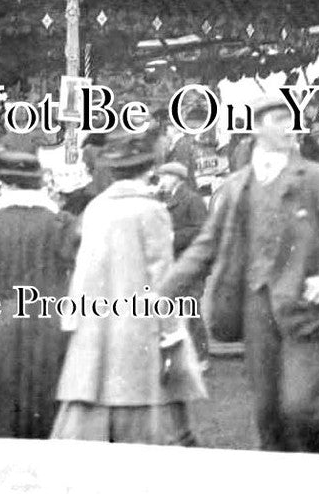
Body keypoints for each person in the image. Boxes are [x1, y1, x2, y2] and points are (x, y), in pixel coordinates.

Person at [160, 94, 319, 452]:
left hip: (305, 310)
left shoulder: (315, 178)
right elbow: (205, 246)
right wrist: (161, 293)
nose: (290, 126)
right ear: (256, 128)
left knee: (300, 408)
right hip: (256, 315)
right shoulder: (236, 185)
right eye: (279, 119)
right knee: (268, 415)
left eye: (292, 118)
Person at [51, 128, 206, 445]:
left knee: (92, 407)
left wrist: (72, 319)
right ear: (149, 169)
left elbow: (83, 269)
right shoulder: (152, 211)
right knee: (145, 411)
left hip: (94, 323)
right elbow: (162, 277)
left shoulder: (95, 209)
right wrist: (171, 329)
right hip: (138, 325)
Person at [0, 151, 78, 438]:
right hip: (47, 323)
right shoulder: (61, 222)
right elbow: (72, 265)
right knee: (43, 407)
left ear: (5, 184)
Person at [155, 161, 210, 367]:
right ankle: (194, 355)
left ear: (175, 178)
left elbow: (201, 230)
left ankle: (201, 357)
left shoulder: (191, 199)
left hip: (192, 264)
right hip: (182, 263)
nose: (161, 181)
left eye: (164, 177)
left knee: (190, 308)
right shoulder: (174, 198)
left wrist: (172, 237)